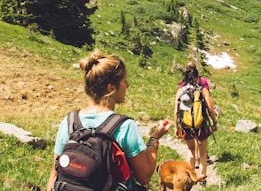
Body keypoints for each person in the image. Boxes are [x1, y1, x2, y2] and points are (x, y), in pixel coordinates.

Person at [46, 51, 172, 191]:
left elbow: (55, 174)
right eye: (124, 81)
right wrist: (154, 138)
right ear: (111, 88)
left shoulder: (70, 122)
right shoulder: (124, 126)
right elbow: (144, 177)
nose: (127, 85)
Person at [174, 64, 218, 181]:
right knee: (203, 154)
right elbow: (209, 108)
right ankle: (202, 179)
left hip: (186, 126)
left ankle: (190, 178)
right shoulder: (202, 90)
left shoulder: (180, 91)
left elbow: (176, 111)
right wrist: (214, 122)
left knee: (191, 150)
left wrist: (176, 126)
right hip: (201, 126)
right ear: (198, 77)